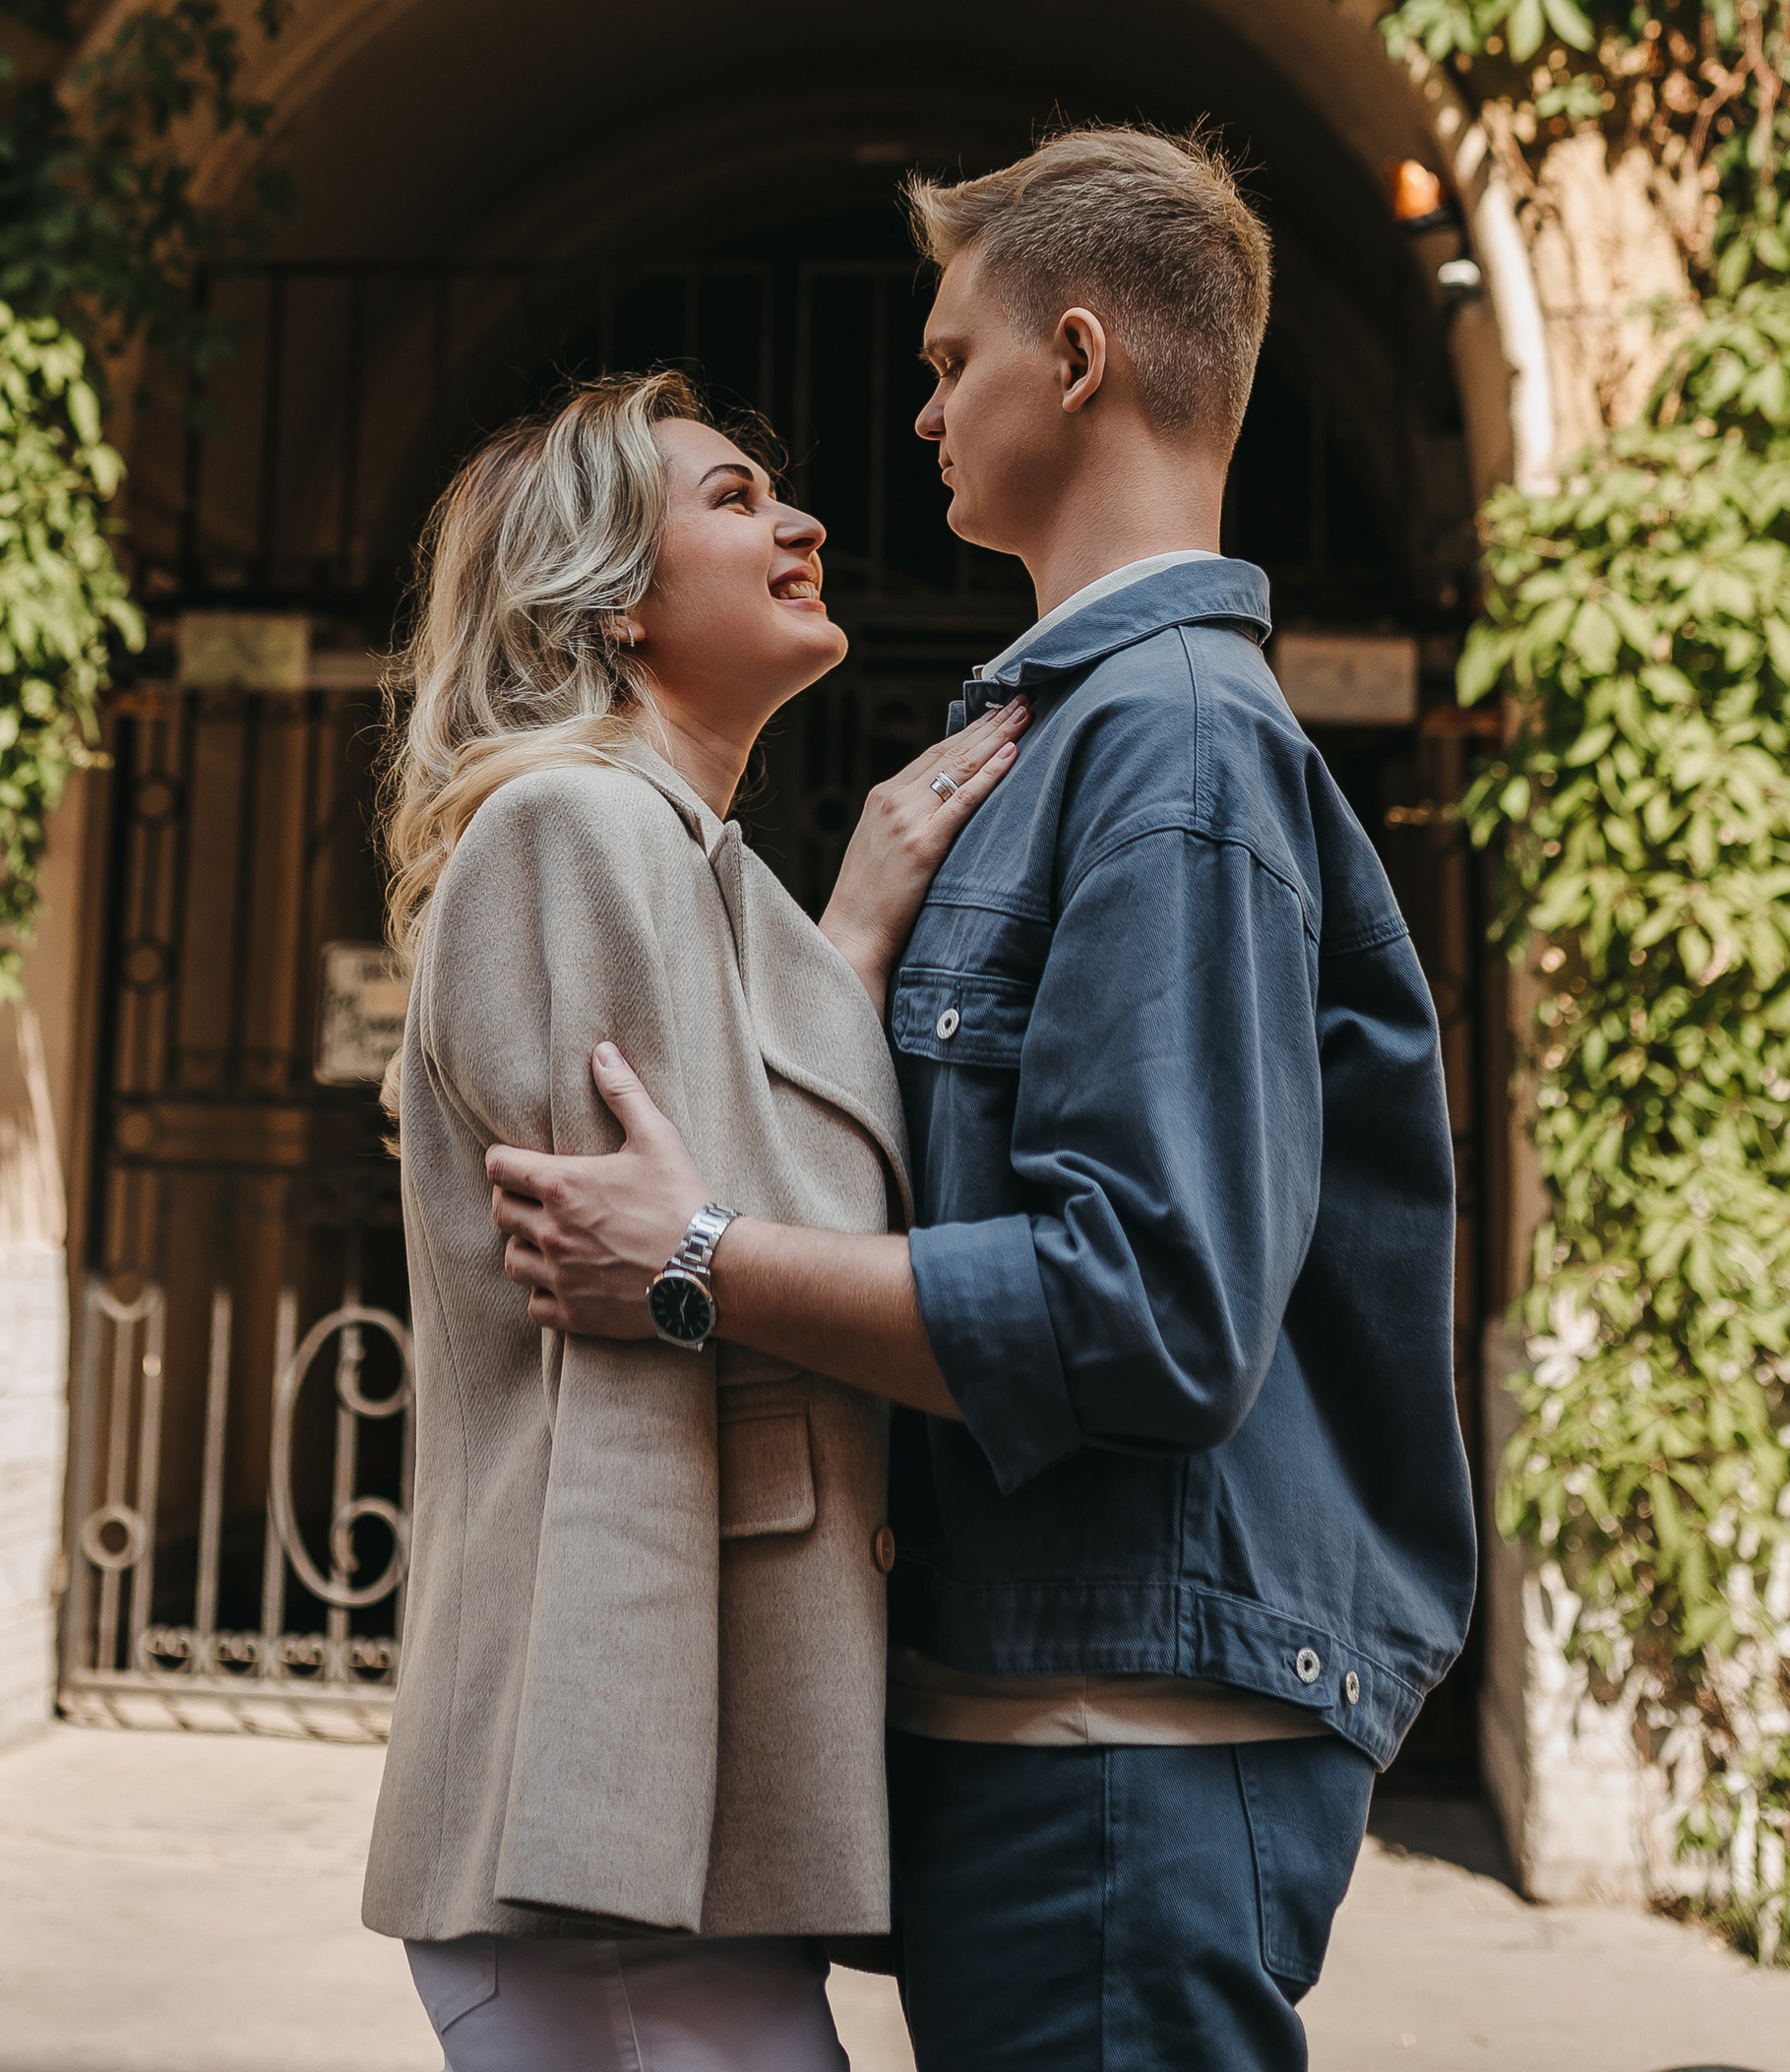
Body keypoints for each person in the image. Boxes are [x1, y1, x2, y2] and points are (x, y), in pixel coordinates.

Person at [487, 129, 1480, 2072]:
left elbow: (1152, 1310)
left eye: (952, 360)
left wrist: (695, 1257)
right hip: (1051, 1739)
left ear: (1078, 357)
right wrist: (846, 949)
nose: (924, 409)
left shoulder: (1173, 748)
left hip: (1117, 1761)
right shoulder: (1074, 740)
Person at [360, 365, 1028, 2069]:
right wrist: (616, 1839)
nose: (803, 522)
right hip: (617, 1836)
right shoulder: (573, 829)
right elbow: (666, 1320)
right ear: (613, 603)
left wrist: (844, 938)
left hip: (672, 1833)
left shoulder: (686, 855)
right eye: (733, 500)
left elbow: (724, 1210)